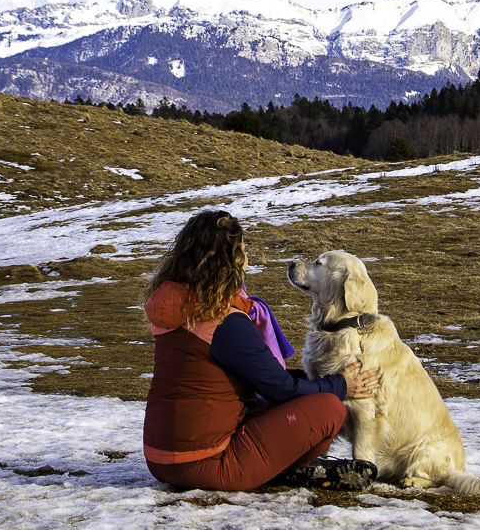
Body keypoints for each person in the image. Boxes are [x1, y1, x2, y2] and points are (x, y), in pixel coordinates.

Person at [141, 209, 380, 491]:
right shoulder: (222, 321)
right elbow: (281, 390)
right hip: (205, 464)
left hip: (161, 459)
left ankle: (273, 467)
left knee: (302, 393)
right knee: (328, 408)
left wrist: (314, 380)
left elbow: (261, 378)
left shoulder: (181, 307)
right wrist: (341, 385)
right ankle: (280, 470)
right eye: (242, 250)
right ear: (229, 260)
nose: (246, 259)